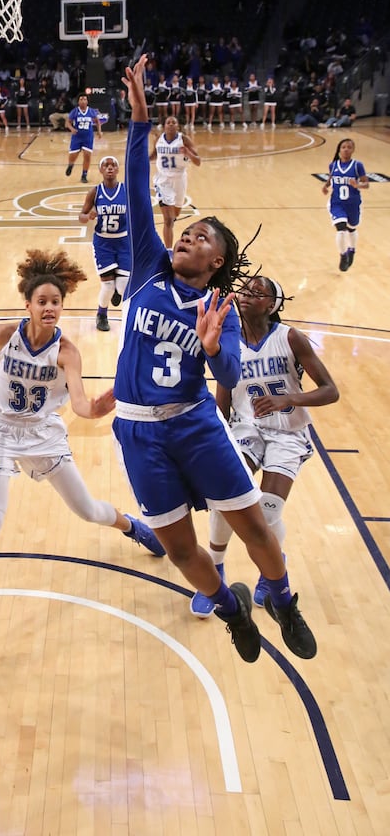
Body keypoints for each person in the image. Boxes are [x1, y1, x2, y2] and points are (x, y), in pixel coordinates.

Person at [112, 55, 317, 664]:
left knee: (253, 526)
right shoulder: (148, 265)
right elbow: (139, 191)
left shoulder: (220, 308)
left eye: (203, 238)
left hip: (196, 423)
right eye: (188, 231)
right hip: (137, 431)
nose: (188, 236)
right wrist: (141, 121)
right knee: (179, 551)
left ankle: (280, 596)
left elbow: (231, 375)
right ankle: (232, 609)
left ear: (217, 264)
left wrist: (210, 349)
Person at [0, 248, 165, 675]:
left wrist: (99, 407)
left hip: (42, 435)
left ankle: (130, 526)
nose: (50, 308)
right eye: (43, 302)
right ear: (29, 305)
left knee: (89, 510)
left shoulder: (68, 353)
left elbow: (80, 406)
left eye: (56, 302)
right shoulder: (5, 335)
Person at [190, 275, 339, 617]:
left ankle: (271, 570)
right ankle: (215, 570)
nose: (247, 294)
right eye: (245, 289)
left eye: (258, 292)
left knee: (268, 512)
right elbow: (224, 390)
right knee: (224, 498)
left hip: (288, 432)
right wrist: (219, 430)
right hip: (246, 428)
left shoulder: (290, 337)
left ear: (272, 305)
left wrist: (288, 397)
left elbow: (331, 390)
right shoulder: (230, 340)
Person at [78, 155, 130, 332]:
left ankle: (117, 290)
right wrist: (88, 216)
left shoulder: (126, 190)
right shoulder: (95, 192)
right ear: (100, 170)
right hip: (103, 243)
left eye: (113, 165)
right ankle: (102, 314)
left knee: (122, 287)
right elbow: (81, 217)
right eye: (105, 165)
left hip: (124, 242)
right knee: (107, 285)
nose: (109, 167)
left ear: (117, 169)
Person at [150, 115, 202, 250]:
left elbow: (198, 161)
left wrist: (188, 153)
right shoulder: (159, 139)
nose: (171, 124)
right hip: (163, 180)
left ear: (178, 126)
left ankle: (171, 228)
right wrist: (141, 160)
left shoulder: (184, 139)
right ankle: (168, 251)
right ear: (165, 125)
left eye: (174, 122)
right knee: (167, 219)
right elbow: (154, 155)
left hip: (179, 179)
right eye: (169, 122)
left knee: (175, 215)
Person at [321, 137, 369, 271]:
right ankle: (343, 255)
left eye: (349, 147)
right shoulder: (333, 165)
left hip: (353, 203)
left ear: (353, 150)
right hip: (337, 203)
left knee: (351, 228)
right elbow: (330, 179)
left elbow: (366, 184)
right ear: (339, 149)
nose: (346, 149)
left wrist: (358, 184)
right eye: (343, 147)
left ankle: (351, 250)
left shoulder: (357, 165)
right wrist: (325, 186)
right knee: (341, 229)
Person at [64, 93, 103, 184]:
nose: (83, 101)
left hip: (88, 137)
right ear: (78, 101)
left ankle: (84, 175)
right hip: (77, 137)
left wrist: (99, 131)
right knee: (73, 156)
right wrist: (71, 129)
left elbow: (97, 121)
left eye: (84, 99)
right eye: (81, 99)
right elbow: (68, 123)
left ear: (87, 101)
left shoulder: (91, 111)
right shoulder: (75, 111)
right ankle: (71, 165)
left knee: (87, 156)